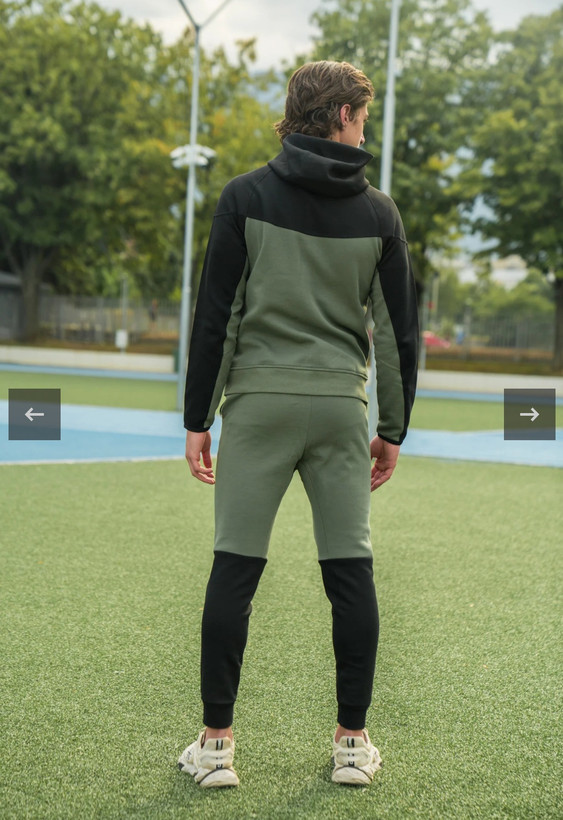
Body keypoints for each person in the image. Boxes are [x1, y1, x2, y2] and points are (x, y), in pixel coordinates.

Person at [178, 60, 418, 788]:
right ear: (342, 114)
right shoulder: (379, 214)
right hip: (340, 410)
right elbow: (397, 333)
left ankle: (215, 748)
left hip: (258, 407)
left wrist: (197, 418)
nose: (365, 130)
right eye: (363, 116)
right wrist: (392, 430)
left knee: (235, 568)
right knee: (350, 573)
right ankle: (352, 746)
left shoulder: (244, 196)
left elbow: (216, 316)